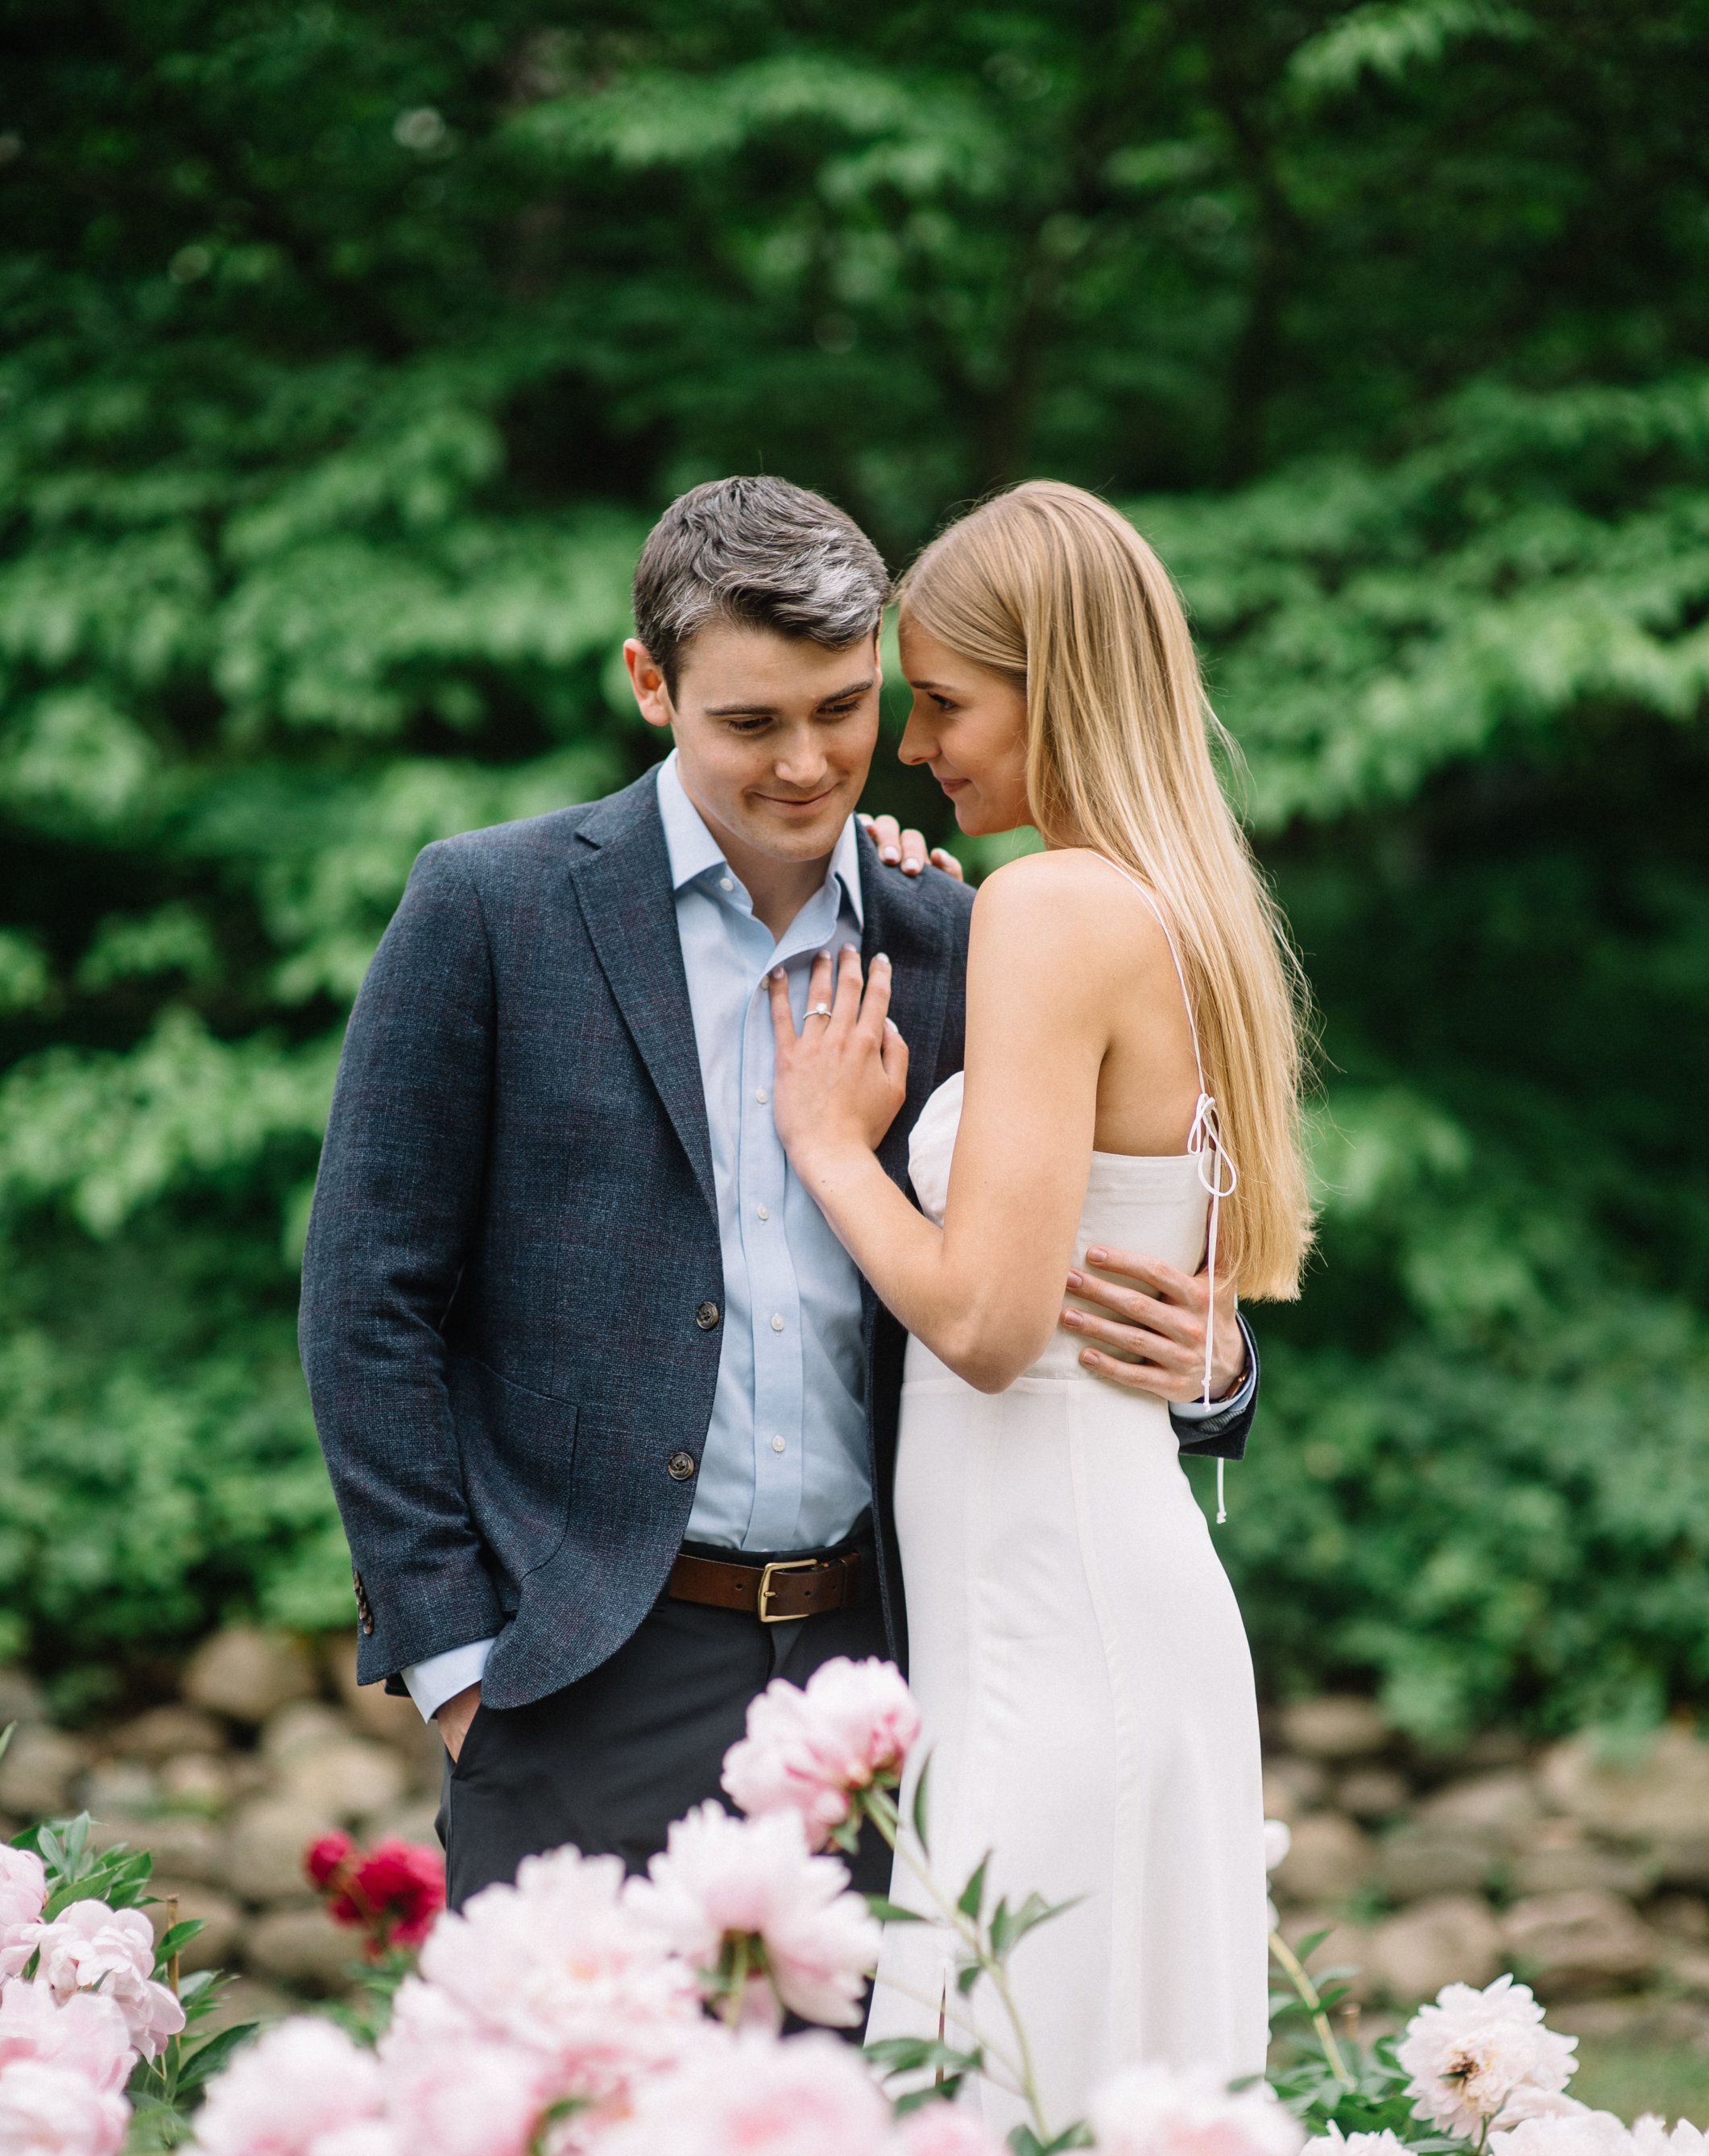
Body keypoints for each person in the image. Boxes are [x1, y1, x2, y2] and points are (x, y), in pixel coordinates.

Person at [298, 475, 1258, 1916]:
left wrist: (1214, 1371)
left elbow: (1060, 1269)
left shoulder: (962, 932)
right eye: (751, 722)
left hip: (898, 1684)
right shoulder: (487, 911)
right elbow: (366, 1304)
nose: (811, 766)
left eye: (845, 709)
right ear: (649, 684)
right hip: (578, 1679)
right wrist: (457, 1669)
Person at [770, 480, 1309, 2127]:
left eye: (945, 701)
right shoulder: (1160, 901)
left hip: (1050, 1630)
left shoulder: (1058, 906)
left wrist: (831, 1147)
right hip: (1083, 1592)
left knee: (1003, 2105)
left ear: (1055, 680)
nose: (918, 743)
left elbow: (991, 1326)